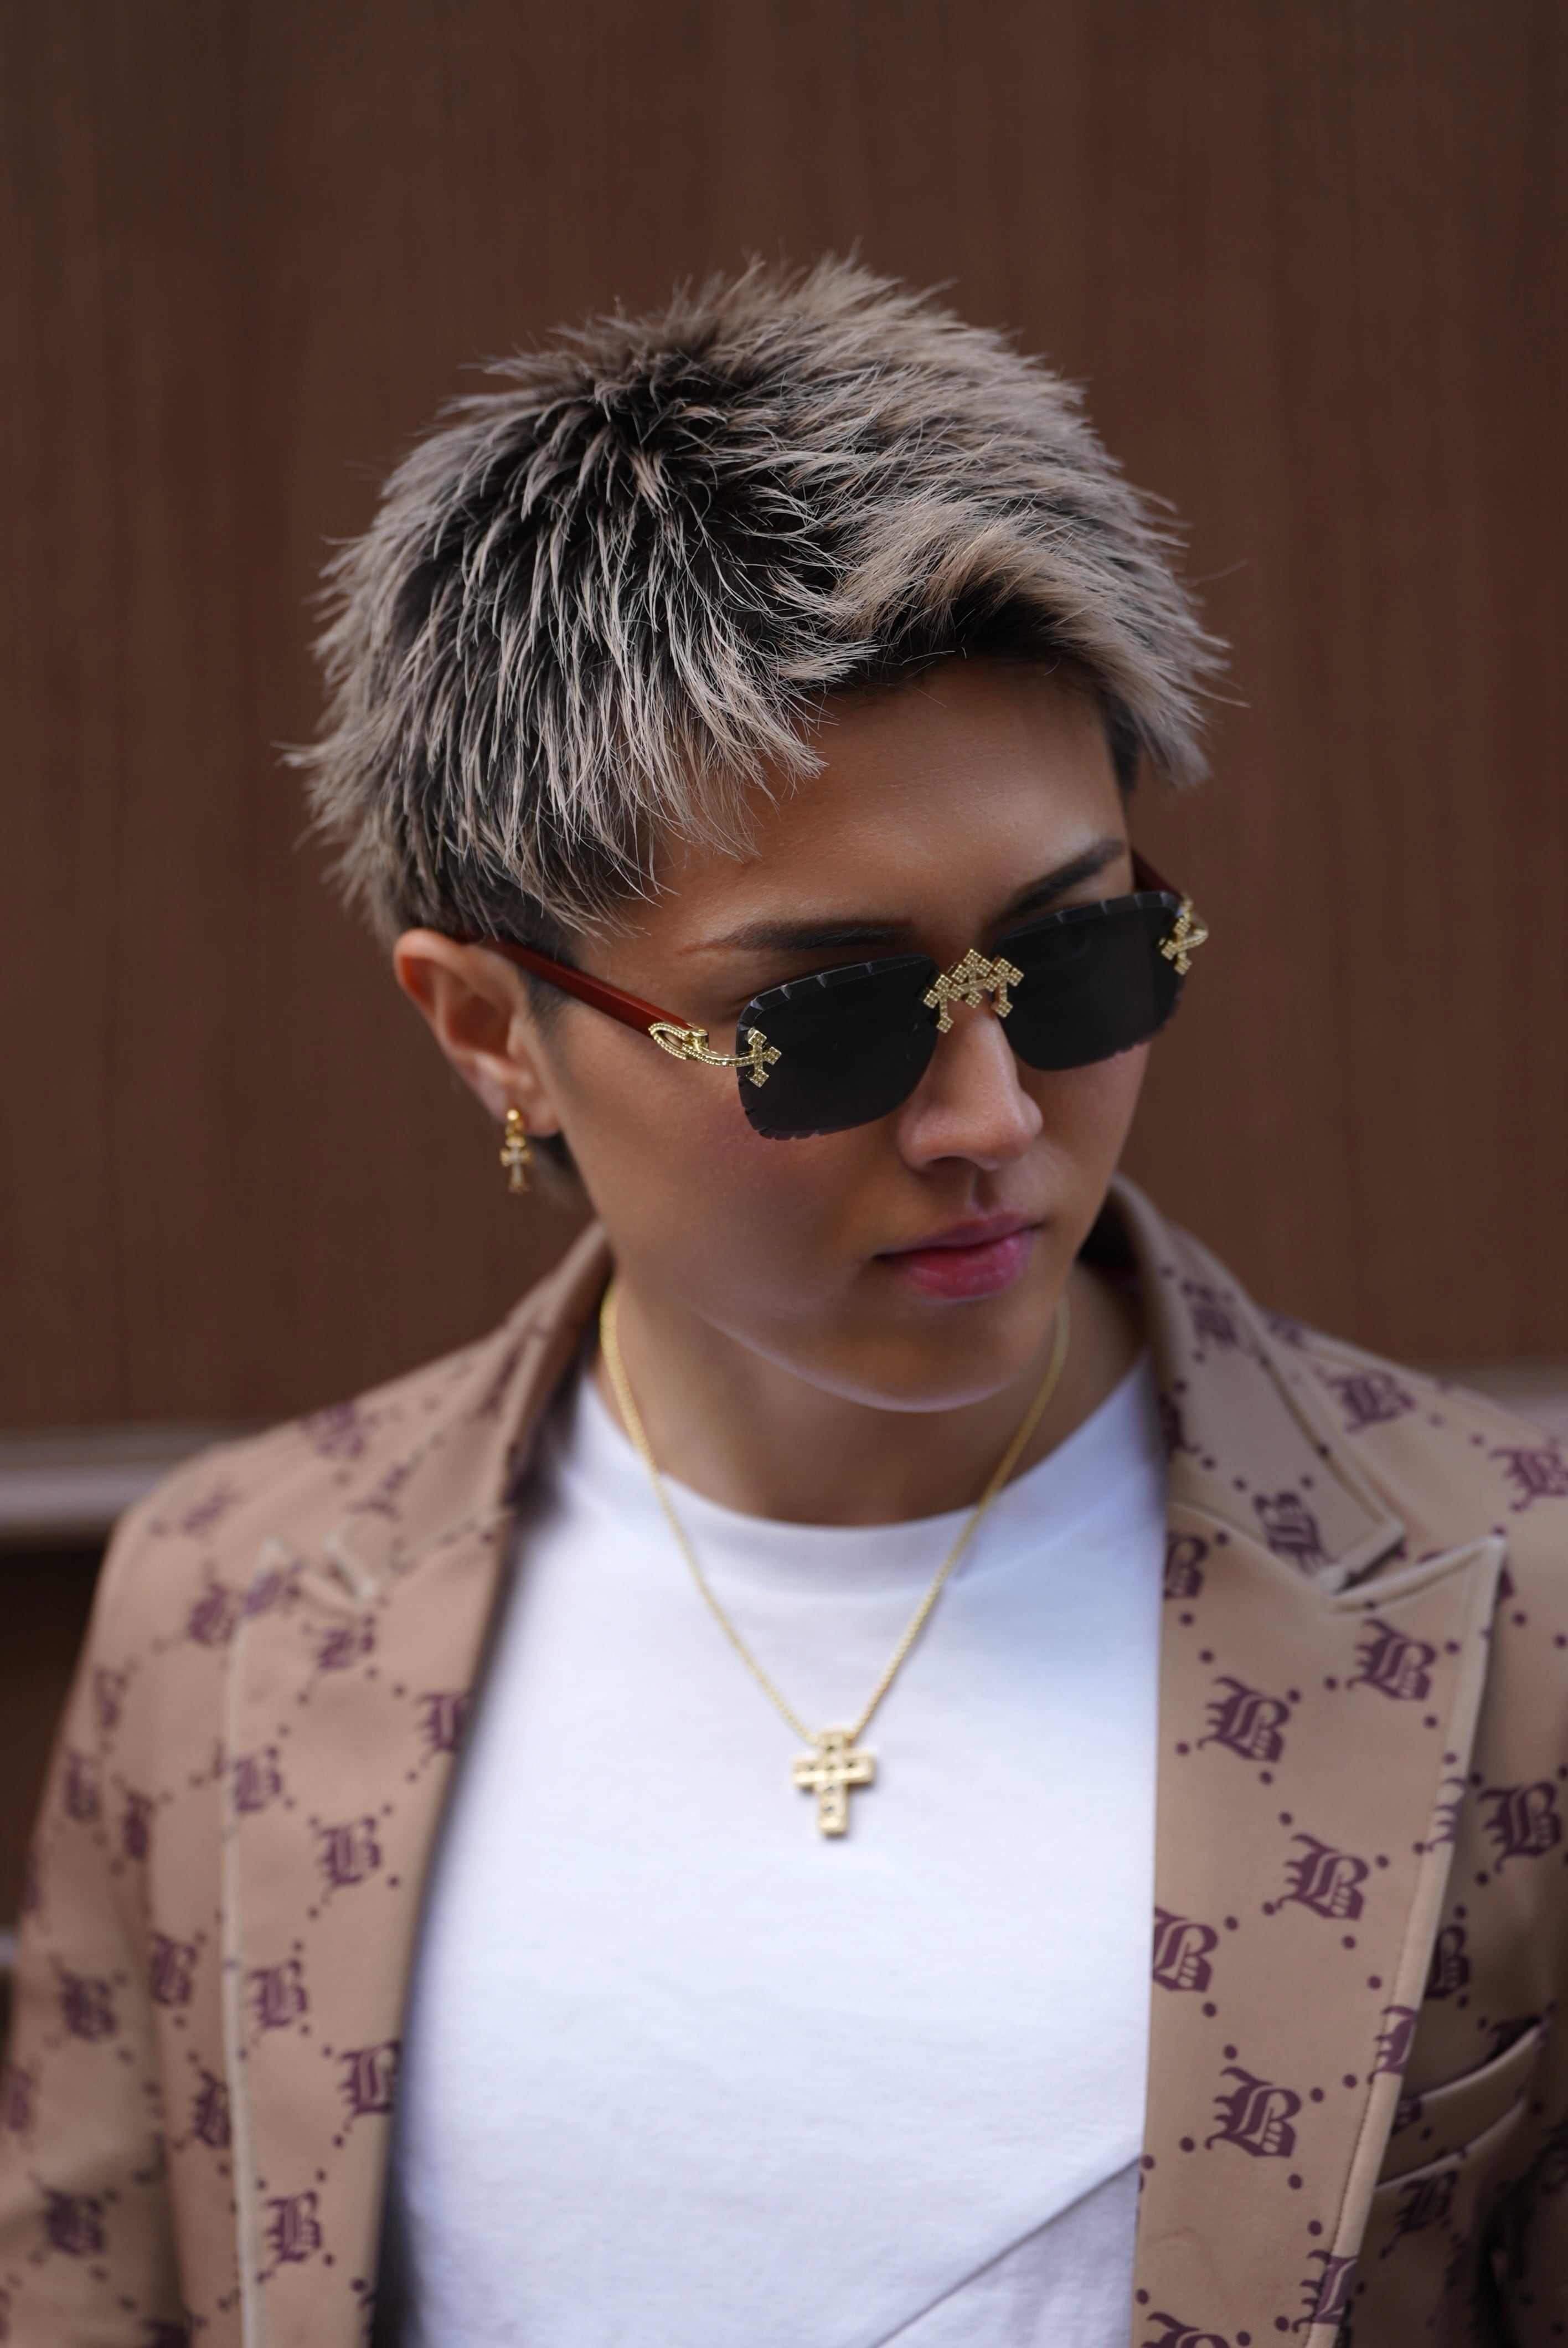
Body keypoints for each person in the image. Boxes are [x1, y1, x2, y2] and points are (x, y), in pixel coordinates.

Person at [1, 259, 1564, 2348]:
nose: (991, 1117)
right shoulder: (228, 1620)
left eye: (1078, 962)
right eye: (828, 1023)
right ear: (490, 1031)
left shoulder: (1521, 1602)